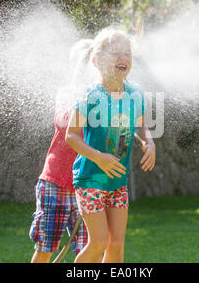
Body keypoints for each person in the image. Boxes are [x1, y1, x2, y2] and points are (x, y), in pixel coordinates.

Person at [65, 28, 156, 263]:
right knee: (99, 242)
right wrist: (99, 157)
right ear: (96, 61)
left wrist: (150, 143)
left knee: (116, 244)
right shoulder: (89, 96)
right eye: (115, 53)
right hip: (91, 179)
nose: (122, 58)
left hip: (118, 181)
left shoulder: (135, 94)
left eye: (127, 53)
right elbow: (71, 136)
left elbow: (143, 127)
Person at [29, 39, 95, 263]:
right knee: (46, 247)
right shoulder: (67, 93)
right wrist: (84, 97)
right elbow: (63, 121)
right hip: (55, 183)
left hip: (87, 185)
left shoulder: (105, 100)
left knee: (91, 249)